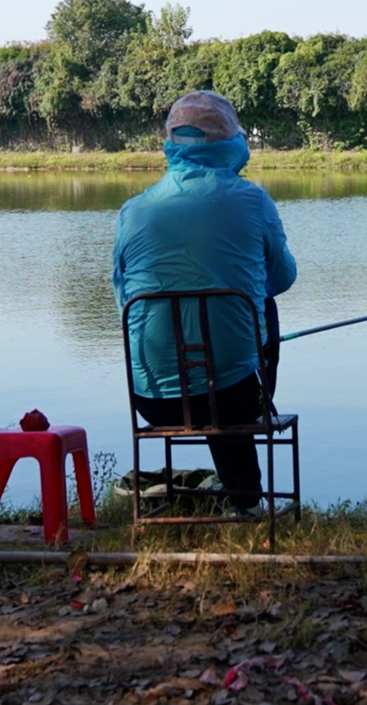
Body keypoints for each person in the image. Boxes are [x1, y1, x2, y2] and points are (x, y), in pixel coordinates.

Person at [112, 90, 296, 510]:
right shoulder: (253, 200)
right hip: (233, 396)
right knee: (261, 305)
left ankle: (237, 491)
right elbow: (282, 278)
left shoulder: (134, 210)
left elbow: (123, 295)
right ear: (231, 141)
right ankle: (246, 497)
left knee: (177, 323)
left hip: (153, 400)